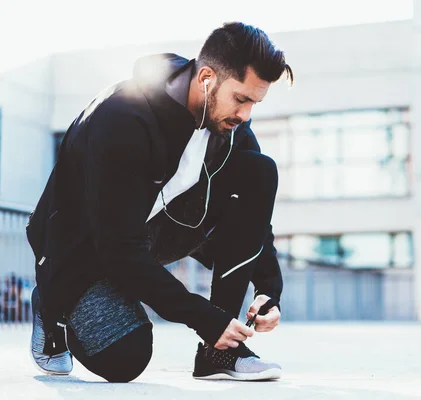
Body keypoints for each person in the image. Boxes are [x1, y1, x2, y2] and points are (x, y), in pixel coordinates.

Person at [26, 21, 293, 382]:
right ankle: (50, 301)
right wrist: (204, 317)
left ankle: (220, 353)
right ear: (207, 78)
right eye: (241, 99)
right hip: (84, 248)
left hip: (154, 234)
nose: (246, 115)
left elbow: (257, 218)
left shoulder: (230, 127)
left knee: (260, 170)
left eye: (254, 103)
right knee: (126, 358)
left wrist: (268, 290)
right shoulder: (125, 116)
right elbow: (118, 248)